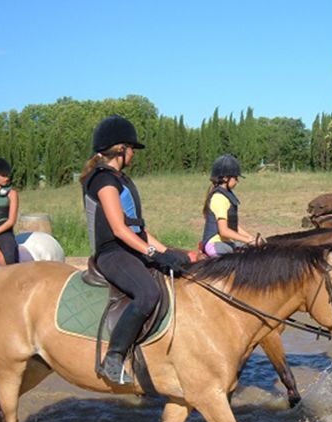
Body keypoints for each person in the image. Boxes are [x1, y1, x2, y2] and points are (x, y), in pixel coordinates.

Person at [81, 115, 185, 384]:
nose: (133, 155)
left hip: (131, 247)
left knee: (180, 269)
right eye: (131, 149)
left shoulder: (121, 179)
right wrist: (152, 254)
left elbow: (138, 229)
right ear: (120, 149)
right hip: (113, 254)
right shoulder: (103, 181)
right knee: (147, 293)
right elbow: (119, 229)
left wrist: (168, 252)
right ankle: (113, 357)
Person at [201, 154, 261, 256]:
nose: (237, 181)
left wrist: (251, 238)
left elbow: (233, 227)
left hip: (224, 242)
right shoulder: (219, 198)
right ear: (225, 178)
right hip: (215, 244)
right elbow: (224, 231)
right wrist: (248, 240)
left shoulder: (226, 195)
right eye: (235, 177)